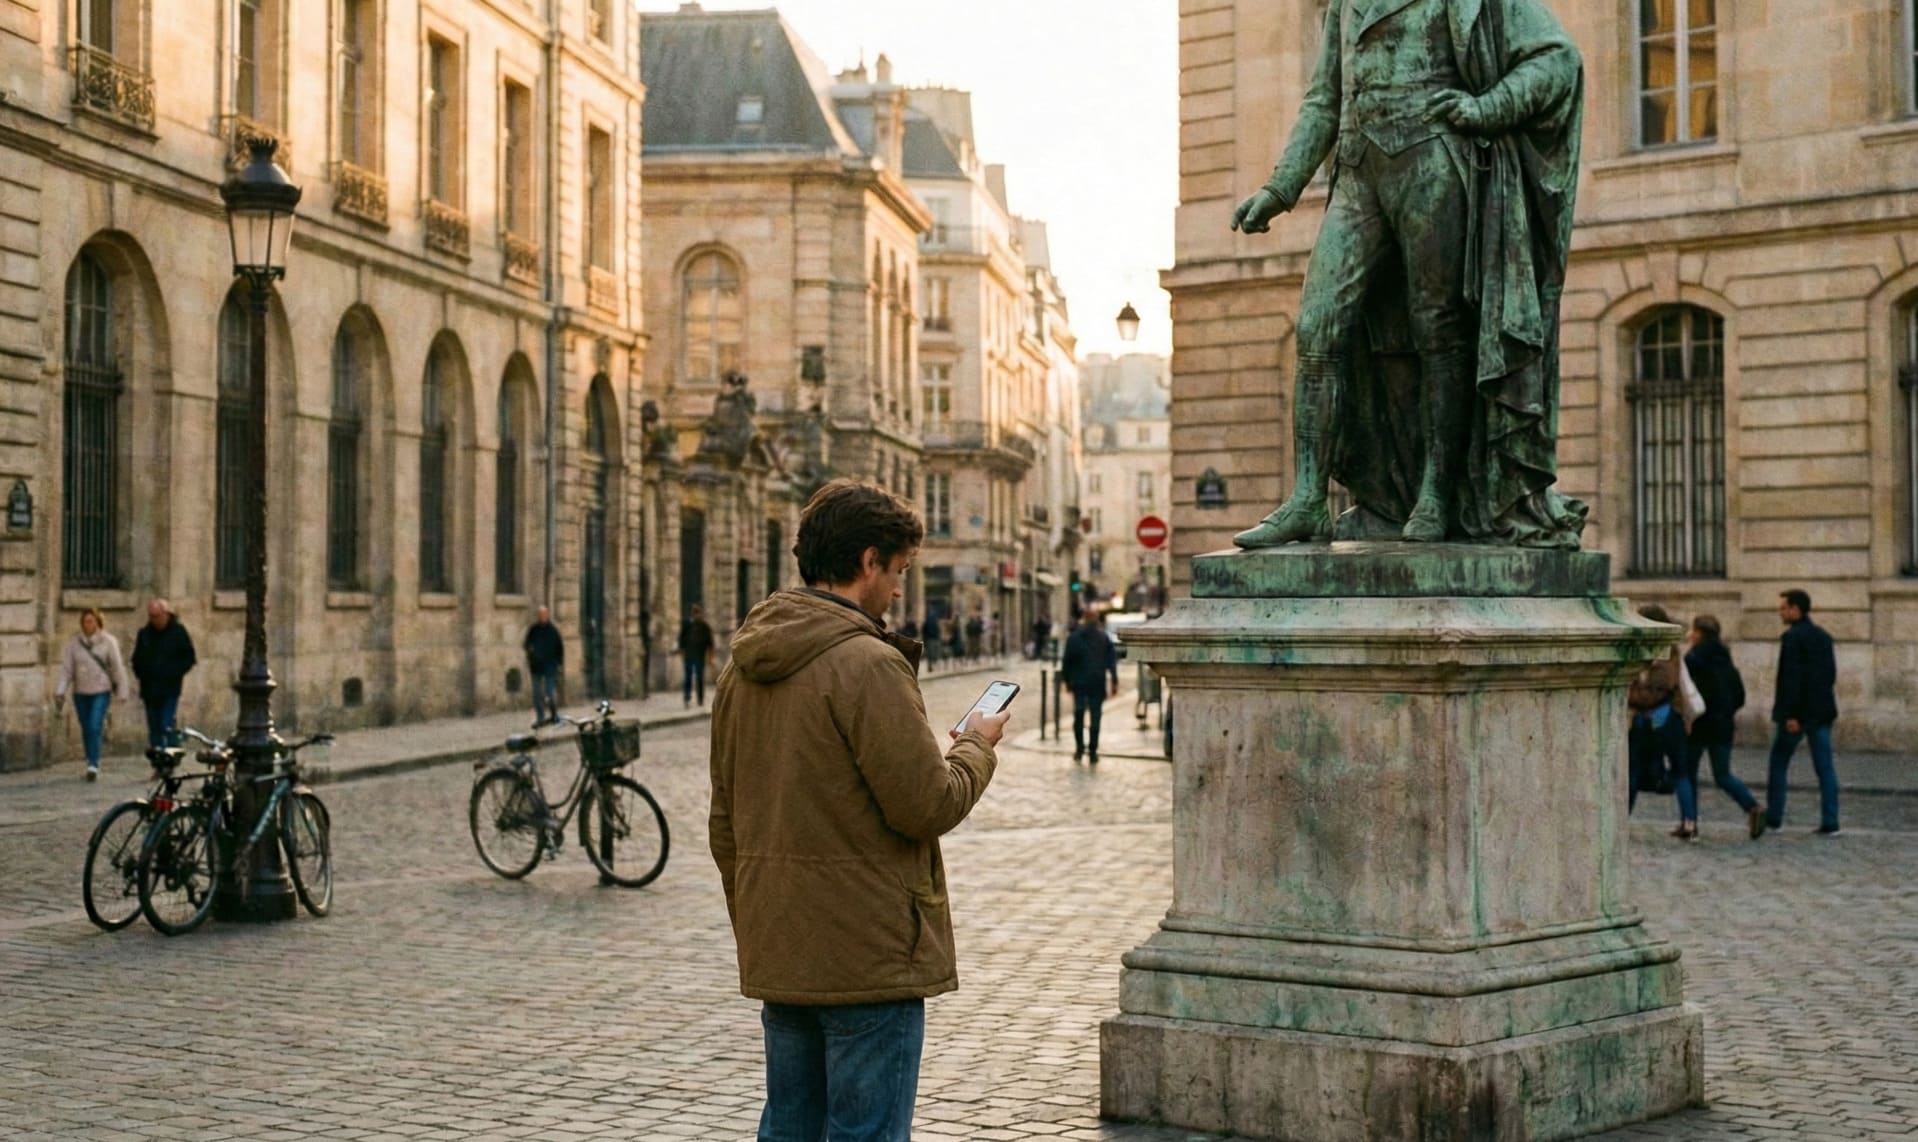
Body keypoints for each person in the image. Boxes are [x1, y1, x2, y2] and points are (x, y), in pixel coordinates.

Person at [708, 479, 1007, 1142]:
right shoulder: (868, 664)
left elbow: (723, 822)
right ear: (868, 562)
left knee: (789, 1129)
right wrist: (975, 749)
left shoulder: (742, 665)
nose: (899, 589)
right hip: (868, 960)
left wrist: (760, 916)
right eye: (898, 571)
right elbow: (927, 804)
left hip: (782, 946)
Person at [1230, 0, 1587, 549]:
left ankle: (1436, 491)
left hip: (1435, 160)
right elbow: (1324, 101)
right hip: (1356, 173)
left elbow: (1557, 60)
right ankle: (1307, 499)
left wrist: (1488, 107)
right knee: (1317, 328)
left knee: (1438, 329)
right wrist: (1281, 188)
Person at [1766, 589, 1841, 836]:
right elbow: (1828, 677)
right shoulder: (1823, 637)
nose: (1780, 612)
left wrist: (1792, 715)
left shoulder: (1792, 638)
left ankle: (1775, 817)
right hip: (1821, 713)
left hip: (1798, 714)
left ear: (1795, 609)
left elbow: (1791, 681)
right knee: (1825, 768)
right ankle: (1831, 820)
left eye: (1783, 608)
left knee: (1778, 763)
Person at [1684, 614, 1764, 839]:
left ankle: (1690, 821)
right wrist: (1725, 712)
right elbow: (1739, 696)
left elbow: (1688, 694)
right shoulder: (1726, 660)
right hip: (1722, 725)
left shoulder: (1693, 659)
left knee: (1689, 773)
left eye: (1692, 630)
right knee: (1723, 774)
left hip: (1698, 725)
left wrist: (1687, 718)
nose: (1689, 635)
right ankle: (1752, 807)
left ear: (1699, 633)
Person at [54, 608, 133, 781]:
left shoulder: (108, 642)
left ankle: (93, 764)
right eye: (85, 621)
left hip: (101, 690)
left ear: (98, 622)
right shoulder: (73, 644)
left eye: (91, 621)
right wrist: (60, 690)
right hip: (81, 692)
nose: (88, 625)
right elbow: (67, 670)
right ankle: (90, 758)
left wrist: (122, 690)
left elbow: (117, 667)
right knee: (86, 727)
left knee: (94, 724)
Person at [1626, 604, 1685, 821]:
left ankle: (1624, 815)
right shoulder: (1648, 647)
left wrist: (1630, 696)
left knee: (1636, 769)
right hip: (1643, 718)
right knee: (1633, 769)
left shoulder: (1663, 650)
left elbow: (1659, 689)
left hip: (1651, 718)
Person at [130, 598, 196, 749]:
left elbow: (189, 657)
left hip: (170, 688)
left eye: (157, 616)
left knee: (165, 723)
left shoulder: (178, 632)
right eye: (151, 616)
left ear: (166, 614)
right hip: (149, 688)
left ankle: (172, 751)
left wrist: (175, 672)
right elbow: (136, 659)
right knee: (154, 727)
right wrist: (141, 674)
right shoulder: (144, 634)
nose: (155, 620)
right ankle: (158, 760)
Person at [1061, 610, 1120, 766]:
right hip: (1097, 683)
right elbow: (1112, 661)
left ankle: (1080, 749)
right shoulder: (1103, 637)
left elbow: (1067, 662)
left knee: (1079, 716)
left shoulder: (1074, 638)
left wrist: (1067, 681)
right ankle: (1092, 752)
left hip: (1079, 684)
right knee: (1095, 717)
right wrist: (1114, 681)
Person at [523, 606, 564, 726]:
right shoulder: (533, 630)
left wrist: (559, 664)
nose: (542, 617)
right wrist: (530, 651)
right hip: (536, 666)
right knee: (537, 694)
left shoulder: (553, 631)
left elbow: (559, 648)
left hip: (550, 666)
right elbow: (527, 644)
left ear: (547, 615)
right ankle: (540, 717)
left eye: (544, 614)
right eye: (540, 615)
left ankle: (554, 714)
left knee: (550, 692)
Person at [679, 603, 716, 707]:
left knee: (699, 678)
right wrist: (682, 652)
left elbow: (710, 643)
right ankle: (687, 697)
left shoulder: (704, 626)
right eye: (694, 612)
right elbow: (682, 639)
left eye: (697, 612)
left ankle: (700, 698)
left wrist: (710, 657)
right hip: (689, 655)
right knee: (688, 677)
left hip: (699, 655)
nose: (696, 614)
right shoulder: (687, 624)